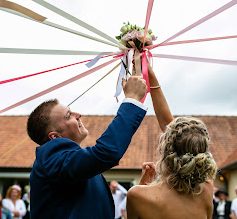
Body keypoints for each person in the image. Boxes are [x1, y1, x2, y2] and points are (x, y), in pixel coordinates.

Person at [27, 76, 147, 219]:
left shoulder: (71, 163)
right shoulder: (50, 158)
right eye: (68, 115)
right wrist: (132, 99)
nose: (78, 115)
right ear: (54, 137)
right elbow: (106, 152)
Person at [126, 62, 217, 219]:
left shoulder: (138, 195)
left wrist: (143, 185)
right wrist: (150, 75)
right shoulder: (207, 189)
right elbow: (172, 130)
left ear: (165, 150)